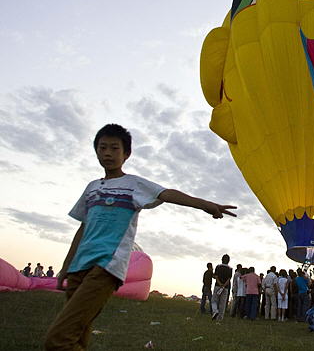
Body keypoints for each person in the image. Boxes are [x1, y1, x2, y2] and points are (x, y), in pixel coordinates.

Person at [45, 124, 236, 350]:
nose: (107, 153)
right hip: (80, 267)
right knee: (77, 332)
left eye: (114, 148)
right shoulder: (92, 188)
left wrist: (205, 205)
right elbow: (83, 227)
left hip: (106, 266)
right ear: (95, 151)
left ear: (126, 154)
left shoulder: (133, 184)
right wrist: (67, 265)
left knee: (57, 340)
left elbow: (166, 193)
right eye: (102, 147)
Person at [212, 255, 234, 321]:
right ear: (228, 261)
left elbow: (216, 276)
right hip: (225, 287)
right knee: (223, 303)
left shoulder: (218, 267)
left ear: (222, 259)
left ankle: (215, 311)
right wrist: (224, 285)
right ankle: (220, 318)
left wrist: (220, 283)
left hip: (217, 286)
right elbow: (229, 279)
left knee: (214, 301)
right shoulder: (230, 269)